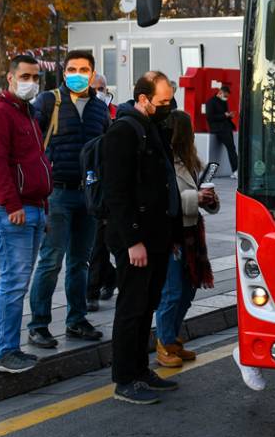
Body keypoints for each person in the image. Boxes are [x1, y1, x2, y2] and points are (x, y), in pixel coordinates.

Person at [104, 72, 181, 405]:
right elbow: (116, 193)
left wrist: (172, 233)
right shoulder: (123, 131)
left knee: (148, 303)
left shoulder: (153, 127)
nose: (168, 107)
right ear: (143, 98)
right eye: (162, 101)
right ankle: (124, 377)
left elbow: (164, 182)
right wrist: (133, 239)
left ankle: (140, 370)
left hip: (158, 234)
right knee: (132, 307)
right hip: (135, 239)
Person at [26, 51, 110, 348]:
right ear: (63, 73)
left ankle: (76, 320)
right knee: (51, 261)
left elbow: (105, 151)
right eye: (72, 69)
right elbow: (30, 141)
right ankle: (38, 324)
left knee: (80, 262)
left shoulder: (101, 109)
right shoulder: (49, 102)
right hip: (57, 194)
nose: (77, 73)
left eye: (83, 69)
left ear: (92, 73)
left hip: (87, 194)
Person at [0, 56, 50, 374]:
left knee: (13, 281)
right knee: (14, 283)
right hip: (10, 209)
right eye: (25, 76)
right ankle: (6, 351)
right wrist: (12, 205)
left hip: (32, 206)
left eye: (35, 77)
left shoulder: (26, 112)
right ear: (9, 77)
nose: (30, 82)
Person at [154, 110, 218, 368]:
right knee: (172, 291)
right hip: (171, 234)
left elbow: (200, 197)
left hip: (192, 231)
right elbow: (161, 200)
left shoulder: (190, 160)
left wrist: (210, 200)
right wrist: (196, 199)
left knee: (189, 289)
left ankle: (173, 337)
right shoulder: (162, 161)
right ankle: (164, 342)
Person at [86, 74, 118, 311]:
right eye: (95, 88)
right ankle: (109, 277)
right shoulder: (83, 112)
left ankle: (92, 291)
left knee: (98, 244)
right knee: (90, 246)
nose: (99, 92)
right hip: (85, 182)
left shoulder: (114, 112)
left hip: (104, 186)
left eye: (102, 88)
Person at [205, 84, 239, 179]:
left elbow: (224, 114)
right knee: (231, 148)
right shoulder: (211, 102)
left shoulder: (223, 102)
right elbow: (210, 117)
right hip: (219, 129)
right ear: (220, 92)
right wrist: (225, 115)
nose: (226, 98)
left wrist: (228, 115)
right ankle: (235, 170)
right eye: (226, 95)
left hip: (226, 128)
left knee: (232, 148)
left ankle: (236, 170)